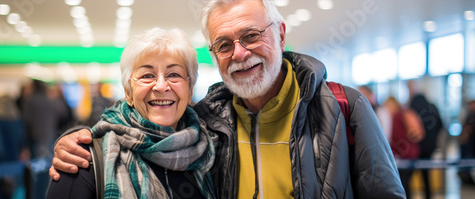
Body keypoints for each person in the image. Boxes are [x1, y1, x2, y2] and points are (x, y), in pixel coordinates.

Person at [49, 0, 406, 198]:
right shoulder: (208, 122)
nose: (239, 53)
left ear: (280, 35)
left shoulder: (342, 106)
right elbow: (130, 128)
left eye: (251, 35)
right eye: (224, 44)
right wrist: (79, 138)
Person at [46, 28, 216, 199]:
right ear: (128, 92)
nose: (161, 86)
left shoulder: (214, 151)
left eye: (174, 74)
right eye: (147, 75)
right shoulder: (81, 158)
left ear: (190, 91)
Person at [407, 79, 443, 199]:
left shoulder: (411, 107)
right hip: (430, 147)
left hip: (415, 147)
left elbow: (411, 130)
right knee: (426, 174)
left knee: (408, 176)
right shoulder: (431, 106)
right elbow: (441, 125)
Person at [383, 96, 424, 199]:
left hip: (405, 155)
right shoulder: (404, 114)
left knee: (403, 185)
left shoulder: (399, 115)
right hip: (410, 154)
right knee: (405, 184)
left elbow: (400, 136)